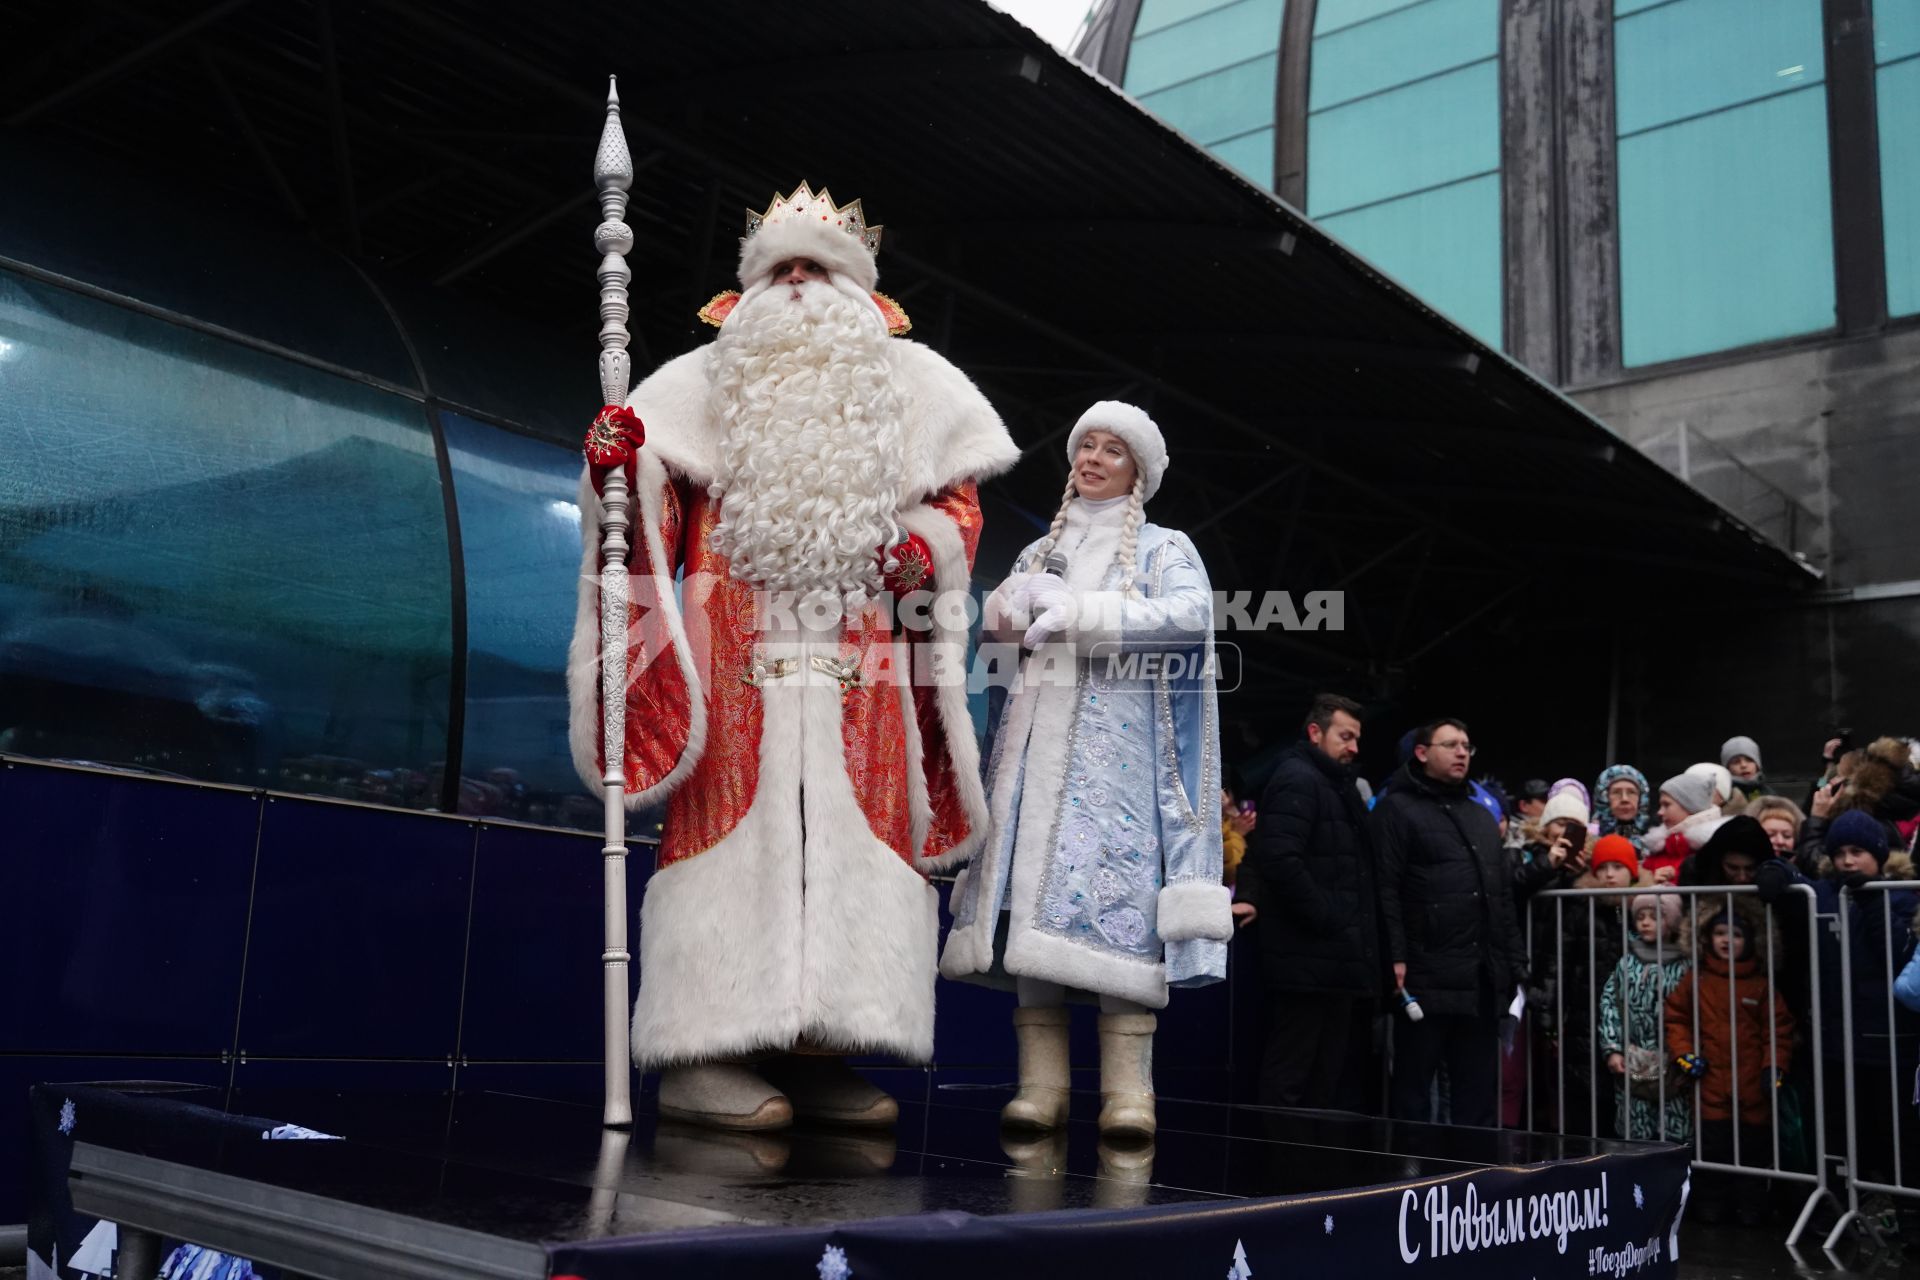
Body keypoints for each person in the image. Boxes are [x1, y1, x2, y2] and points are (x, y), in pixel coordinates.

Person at [567, 182, 1019, 1130]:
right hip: (732, 668)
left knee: (852, 839)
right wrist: (614, 468)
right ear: (744, 294)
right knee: (736, 830)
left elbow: (957, 518)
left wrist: (912, 551)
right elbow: (639, 520)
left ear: (866, 296)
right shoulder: (690, 388)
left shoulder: (919, 391)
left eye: (820, 268)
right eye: (783, 269)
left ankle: (820, 1050)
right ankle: (709, 1053)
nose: (802, 284)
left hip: (863, 675)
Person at [940, 400, 1227, 1142]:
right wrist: (1006, 609)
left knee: (1114, 916)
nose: (1093, 459)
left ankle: (1131, 1096)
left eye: (1112, 451)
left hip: (1120, 777)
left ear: (1139, 473)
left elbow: (1193, 617)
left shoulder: (1166, 549)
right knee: (1033, 911)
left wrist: (1084, 614)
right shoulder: (1040, 551)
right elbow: (999, 649)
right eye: (1086, 446)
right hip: (1034, 762)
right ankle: (1042, 1090)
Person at [1374, 718, 1529, 1127]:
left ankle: (1475, 1183)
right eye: (1451, 744)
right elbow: (1385, 887)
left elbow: (1500, 898)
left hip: (1480, 978)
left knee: (1477, 1094)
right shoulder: (1396, 808)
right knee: (1414, 1092)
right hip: (1424, 974)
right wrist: (1395, 955)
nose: (1462, 752)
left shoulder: (1481, 817)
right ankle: (1411, 1181)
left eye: (1466, 745)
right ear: (1422, 753)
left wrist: (1514, 962)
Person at [1758, 809, 1920, 1188]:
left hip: (1891, 1047)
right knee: (1843, 1136)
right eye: (1840, 852)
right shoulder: (1826, 893)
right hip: (1835, 1044)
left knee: (1899, 1139)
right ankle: (1848, 1207)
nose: (1848, 860)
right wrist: (1777, 872)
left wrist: (1872, 902)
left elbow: (1898, 955)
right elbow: (1798, 883)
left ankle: (1908, 1214)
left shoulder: (1899, 897)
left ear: (1878, 855)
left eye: (1858, 851)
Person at [1238, 693, 1382, 1109]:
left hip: (1330, 958)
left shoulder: (1334, 785)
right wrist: (1330, 919)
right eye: (1346, 735)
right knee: (1296, 1073)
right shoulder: (1299, 778)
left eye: (1357, 738)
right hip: (1309, 956)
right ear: (1315, 732)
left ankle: (1309, 1167)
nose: (1354, 747)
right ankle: (1284, 1169)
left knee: (1322, 1076)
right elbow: (1279, 857)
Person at [1665, 904, 1794, 1225]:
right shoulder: (1698, 979)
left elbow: (1778, 1031)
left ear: (1750, 941)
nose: (1726, 940)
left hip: (1752, 1087)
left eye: (1735, 935)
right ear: (1707, 939)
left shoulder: (1761, 985)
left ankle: (1752, 1208)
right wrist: (1685, 1053)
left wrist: (1774, 1067)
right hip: (1710, 1083)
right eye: (1720, 933)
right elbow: (1676, 1018)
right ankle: (1710, 1206)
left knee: (1753, 1150)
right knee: (1713, 1149)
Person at [1598, 892, 1692, 1143]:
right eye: (1640, 917)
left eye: (1655, 917)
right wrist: (1612, 1048)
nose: (1646, 923)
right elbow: (1610, 1003)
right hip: (1633, 1058)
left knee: (1673, 1130)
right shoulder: (1627, 962)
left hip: (1674, 1060)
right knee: (1634, 1129)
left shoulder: (1686, 965)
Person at [1643, 773, 1723, 884]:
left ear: (1691, 807)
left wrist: (1678, 879)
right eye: (1660, 805)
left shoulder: (1715, 850)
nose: (1659, 812)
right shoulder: (1658, 850)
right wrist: (1650, 882)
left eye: (1666, 805)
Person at [1595, 764, 1654, 854]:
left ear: (1641, 798)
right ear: (1604, 797)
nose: (1624, 799)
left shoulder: (1656, 842)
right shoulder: (1590, 840)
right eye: (1616, 792)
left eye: (1631, 792)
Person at [1721, 735, 1771, 806]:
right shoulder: (1723, 797)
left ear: (1757, 765)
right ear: (1727, 768)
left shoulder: (1769, 794)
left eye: (1749, 760)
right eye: (1736, 762)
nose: (1743, 765)